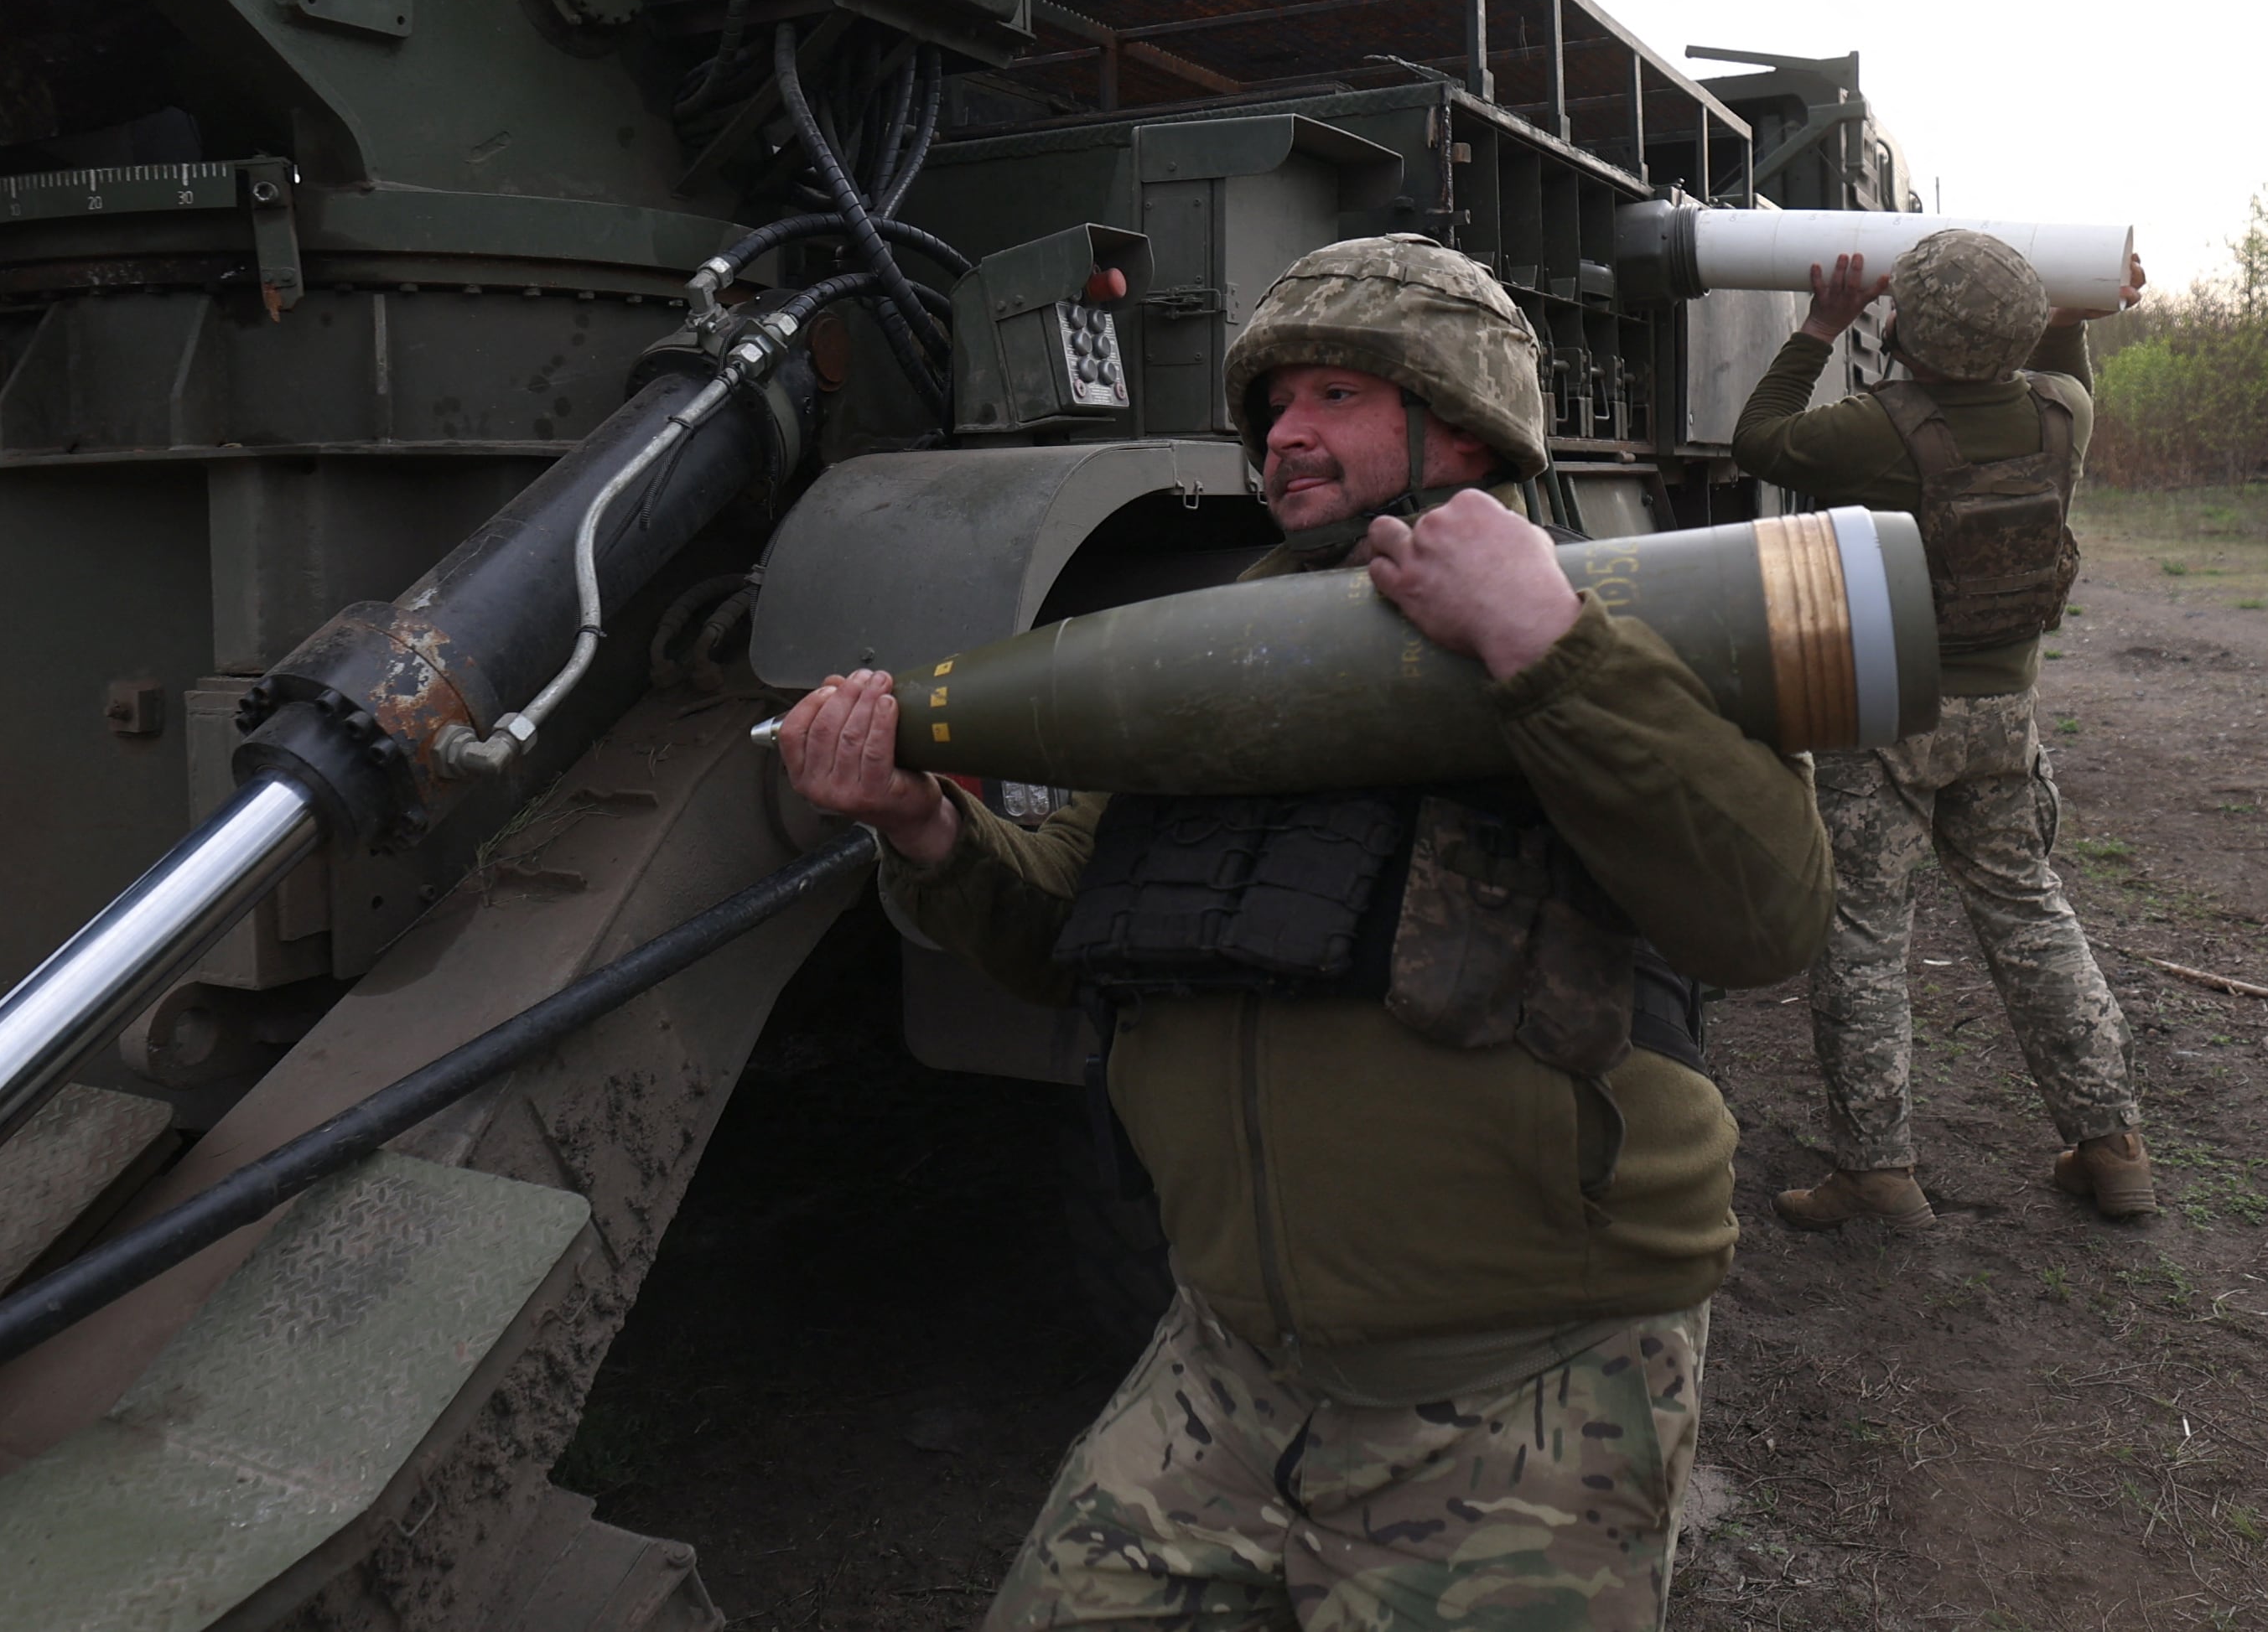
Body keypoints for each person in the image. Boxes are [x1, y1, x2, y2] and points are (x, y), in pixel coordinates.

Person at [781, 234, 1835, 1630]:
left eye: (1333, 395)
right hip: (1228, 1364)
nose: (1282, 434)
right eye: (1272, 407)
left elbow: (1763, 913)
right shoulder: (1205, 659)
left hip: (1520, 1382)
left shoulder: (1635, 623)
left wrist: (1544, 651)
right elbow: (1070, 937)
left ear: (1455, 410)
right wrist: (927, 831)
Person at [1731, 230, 2153, 1228]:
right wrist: (2069, 307)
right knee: (2029, 913)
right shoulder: (2067, 415)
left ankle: (1876, 1172)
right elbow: (2058, 362)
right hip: (2005, 719)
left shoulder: (1870, 431)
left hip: (1887, 716)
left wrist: (1820, 324)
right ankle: (2110, 1145)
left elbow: (1757, 438)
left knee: (1866, 931)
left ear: (1904, 329)